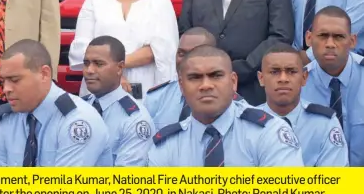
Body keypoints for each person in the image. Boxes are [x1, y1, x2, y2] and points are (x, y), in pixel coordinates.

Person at [148, 45, 304, 167]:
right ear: (181, 86)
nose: (206, 85)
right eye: (195, 77)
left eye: (216, 76)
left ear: (233, 82)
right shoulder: (167, 144)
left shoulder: (269, 132)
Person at [70, 0, 178, 101]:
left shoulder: (159, 1)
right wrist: (113, 75)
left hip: (148, 87)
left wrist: (114, 68)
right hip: (101, 87)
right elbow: (82, 48)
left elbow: (163, 50)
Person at [0, 40, 112, 167]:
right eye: (3, 81)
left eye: (15, 80)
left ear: (44, 74)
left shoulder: (78, 120)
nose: (6, 89)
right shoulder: (8, 120)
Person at [258, 43, 347, 167]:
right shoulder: (246, 125)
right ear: (261, 78)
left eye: (292, 72)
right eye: (274, 72)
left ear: (304, 77)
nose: (283, 79)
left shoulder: (325, 123)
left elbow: (338, 181)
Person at [301, 7, 363, 166]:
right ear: (309, 38)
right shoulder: (296, 84)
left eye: (339, 37)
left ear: (352, 41)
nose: (330, 44)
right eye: (322, 36)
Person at [80, 36, 155, 166]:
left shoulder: (135, 120)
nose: (89, 70)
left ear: (120, 68)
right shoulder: (79, 108)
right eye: (86, 63)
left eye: (99, 64)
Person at [145, 27, 219, 130]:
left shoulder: (227, 100)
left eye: (194, 53)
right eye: (181, 54)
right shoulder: (156, 99)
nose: (186, 60)